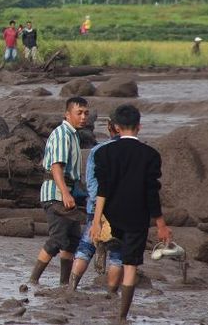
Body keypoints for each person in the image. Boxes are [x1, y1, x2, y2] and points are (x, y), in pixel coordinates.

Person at [90, 104, 172, 323]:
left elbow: (102, 190)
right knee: (130, 265)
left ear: (116, 127)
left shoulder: (104, 153)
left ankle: (110, 291)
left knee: (115, 256)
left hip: (111, 216)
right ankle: (122, 315)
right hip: (137, 218)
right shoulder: (150, 155)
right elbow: (151, 192)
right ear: (139, 126)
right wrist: (161, 224)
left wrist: (96, 221)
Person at [29, 97, 89, 286]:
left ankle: (64, 283)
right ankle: (33, 280)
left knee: (72, 240)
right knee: (57, 239)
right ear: (67, 114)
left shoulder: (73, 135)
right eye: (79, 113)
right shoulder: (62, 134)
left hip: (66, 193)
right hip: (56, 194)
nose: (83, 117)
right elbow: (56, 167)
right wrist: (65, 193)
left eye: (86, 113)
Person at [69, 120, 122, 293]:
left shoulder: (98, 150)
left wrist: (96, 203)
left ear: (109, 127)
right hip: (121, 210)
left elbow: (91, 183)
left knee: (85, 247)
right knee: (117, 254)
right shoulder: (134, 151)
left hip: (96, 208)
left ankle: (71, 288)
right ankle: (111, 294)